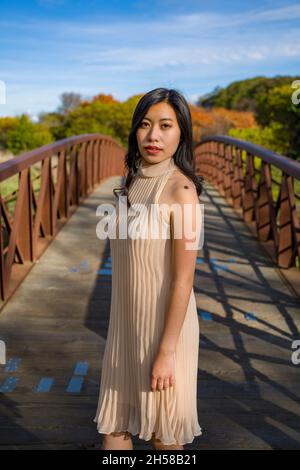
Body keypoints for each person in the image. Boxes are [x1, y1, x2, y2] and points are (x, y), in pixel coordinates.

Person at [93, 87, 205, 450]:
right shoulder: (131, 182)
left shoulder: (181, 191)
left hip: (164, 333)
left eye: (165, 125)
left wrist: (166, 352)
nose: (153, 135)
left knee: (163, 440)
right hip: (125, 326)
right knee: (114, 427)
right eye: (144, 124)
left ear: (182, 133)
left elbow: (183, 279)